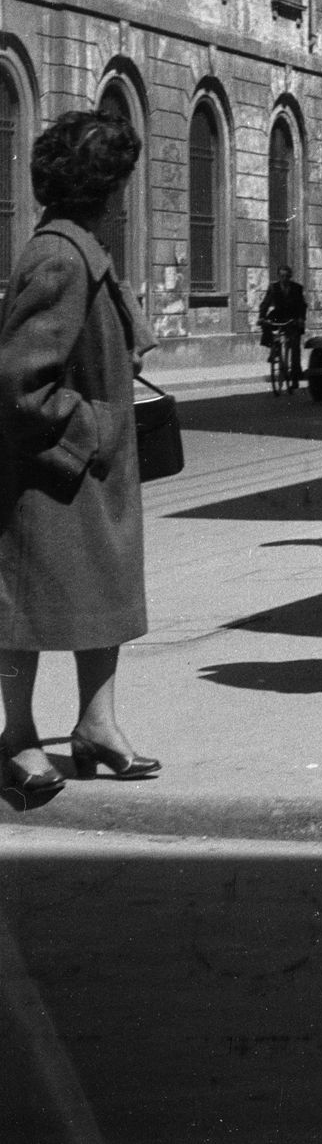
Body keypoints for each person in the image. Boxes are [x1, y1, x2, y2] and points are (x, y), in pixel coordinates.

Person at [0, 109, 159, 809]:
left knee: (105, 595)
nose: (124, 192)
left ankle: (96, 727)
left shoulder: (81, 247)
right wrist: (90, 428)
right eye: (120, 179)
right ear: (104, 187)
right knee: (27, 606)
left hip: (87, 474)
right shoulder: (62, 257)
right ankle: (18, 737)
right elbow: (19, 382)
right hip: (53, 472)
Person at [258, 262, 308, 386]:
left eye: (286, 276)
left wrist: (301, 318)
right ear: (278, 276)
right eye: (282, 276)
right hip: (279, 315)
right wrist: (261, 317)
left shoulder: (297, 288)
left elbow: (302, 305)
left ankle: (295, 376)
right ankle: (273, 348)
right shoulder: (273, 287)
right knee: (266, 324)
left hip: (293, 316)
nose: (284, 279)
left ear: (290, 276)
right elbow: (265, 303)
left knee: (295, 346)